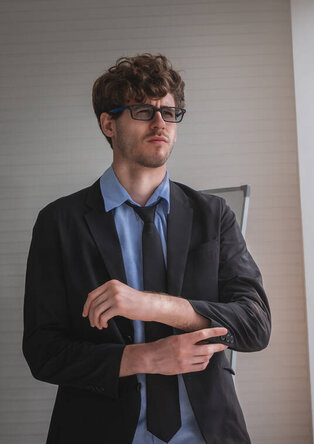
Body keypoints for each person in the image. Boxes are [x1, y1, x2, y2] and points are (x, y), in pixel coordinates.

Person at [22, 54, 271, 444]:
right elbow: (43, 351)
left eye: (170, 113)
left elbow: (255, 324)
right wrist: (145, 358)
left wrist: (150, 305)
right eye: (143, 111)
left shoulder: (213, 214)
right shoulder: (60, 222)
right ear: (108, 123)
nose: (160, 123)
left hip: (208, 433)